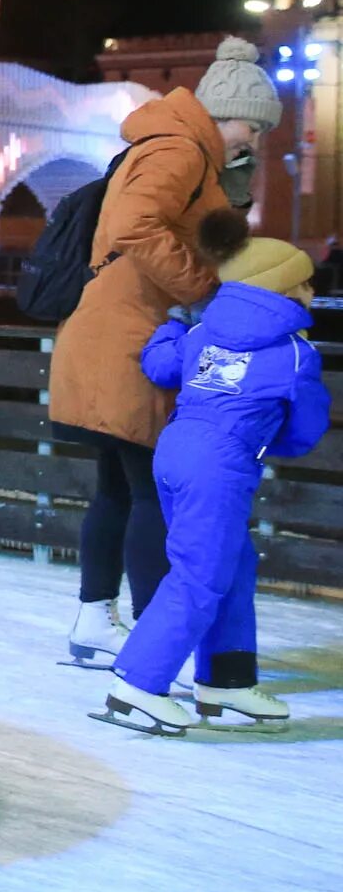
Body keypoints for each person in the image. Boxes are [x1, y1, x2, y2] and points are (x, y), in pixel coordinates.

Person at [47, 38, 271, 668]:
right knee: (151, 491)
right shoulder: (178, 149)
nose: (253, 138)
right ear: (225, 114)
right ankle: (152, 637)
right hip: (129, 340)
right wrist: (204, 288)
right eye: (251, 126)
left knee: (119, 489)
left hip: (114, 333)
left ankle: (96, 621)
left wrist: (235, 188)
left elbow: (195, 230)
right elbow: (136, 225)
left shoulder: (181, 149)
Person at [92, 233, 330, 734]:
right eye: (305, 281)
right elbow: (304, 432)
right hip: (220, 465)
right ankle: (137, 687)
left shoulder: (203, 334)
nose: (312, 291)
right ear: (282, 288)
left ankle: (228, 680)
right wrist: (258, 444)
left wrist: (172, 326)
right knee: (199, 573)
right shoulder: (294, 355)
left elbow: (159, 365)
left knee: (232, 563)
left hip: (176, 451)